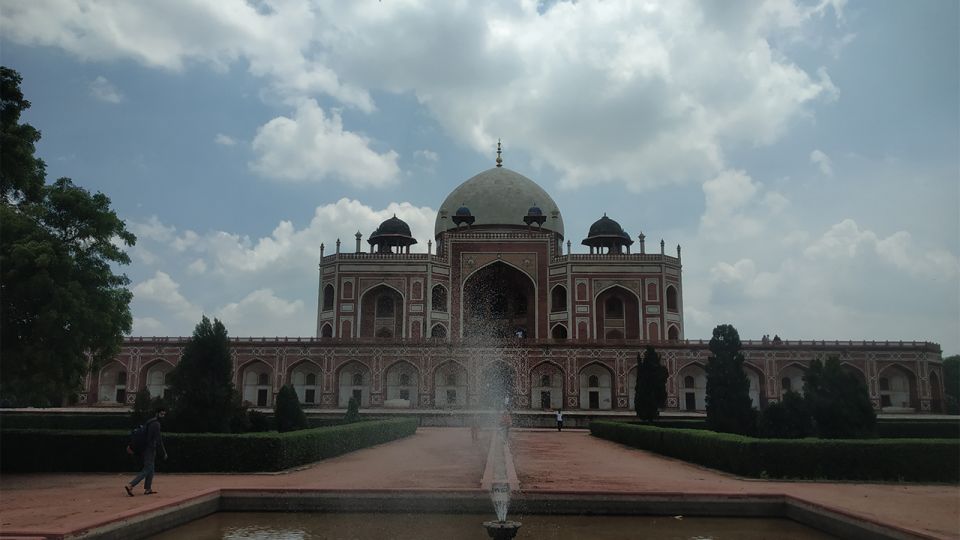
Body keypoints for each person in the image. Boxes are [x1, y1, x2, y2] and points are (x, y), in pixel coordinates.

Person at [125, 406, 168, 496]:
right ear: (157, 413)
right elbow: (158, 440)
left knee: (151, 468)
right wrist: (163, 452)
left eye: (164, 414)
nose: (163, 416)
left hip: (146, 448)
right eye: (162, 414)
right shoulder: (156, 424)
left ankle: (148, 489)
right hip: (150, 448)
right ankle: (131, 485)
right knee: (147, 469)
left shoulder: (150, 421)